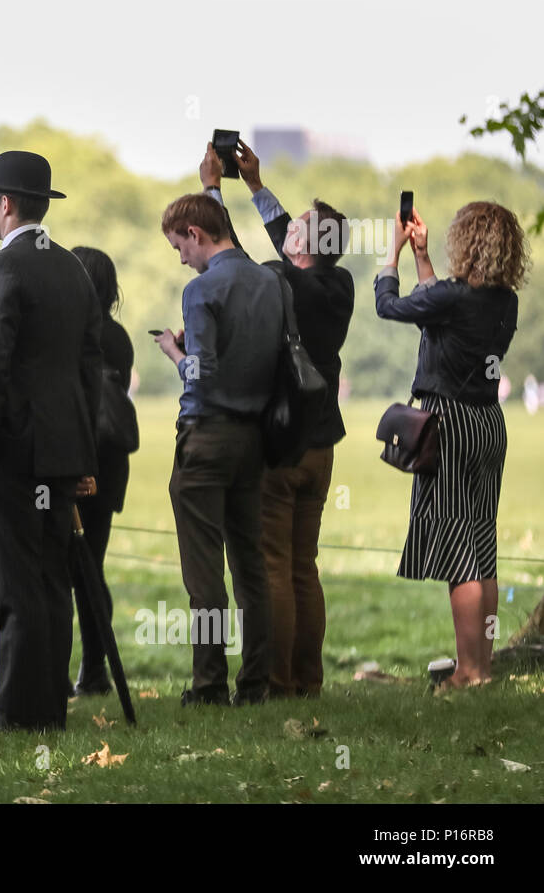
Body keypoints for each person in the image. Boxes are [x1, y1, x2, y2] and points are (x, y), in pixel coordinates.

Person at [0, 151, 102, 732]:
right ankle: (49, 711)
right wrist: (83, 453)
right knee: (49, 584)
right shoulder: (70, 268)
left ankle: (18, 715)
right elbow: (90, 373)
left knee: (13, 590)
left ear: (6, 205)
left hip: (6, 453)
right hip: (61, 452)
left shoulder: (2, 268)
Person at [202, 140, 355, 699]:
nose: (287, 229)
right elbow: (293, 240)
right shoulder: (338, 284)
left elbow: (228, 258)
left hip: (281, 441)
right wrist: (255, 185)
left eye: (297, 228)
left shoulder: (276, 280)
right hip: (322, 444)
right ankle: (308, 680)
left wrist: (212, 190)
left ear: (303, 246)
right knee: (302, 567)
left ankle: (277, 680)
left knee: (270, 564)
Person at [375, 201, 528, 689]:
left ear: (468, 242)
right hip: (488, 423)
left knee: (459, 551)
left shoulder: (456, 297)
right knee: (482, 545)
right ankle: (481, 667)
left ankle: (466, 673)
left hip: (450, 426)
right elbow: (436, 308)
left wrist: (391, 255)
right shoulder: (504, 300)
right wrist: (422, 257)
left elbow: (390, 306)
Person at [155, 192, 281, 707]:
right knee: (250, 565)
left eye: (179, 245)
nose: (180, 257)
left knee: (205, 573)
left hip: (206, 437)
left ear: (196, 233)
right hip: (254, 437)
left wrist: (174, 352)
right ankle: (256, 683)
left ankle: (208, 685)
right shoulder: (270, 282)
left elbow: (202, 375)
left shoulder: (201, 289)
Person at [68, 246, 134, 696]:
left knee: (66, 570)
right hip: (110, 462)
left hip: (75, 459)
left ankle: (78, 667)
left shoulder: (73, 332)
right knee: (93, 565)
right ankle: (96, 669)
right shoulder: (120, 337)